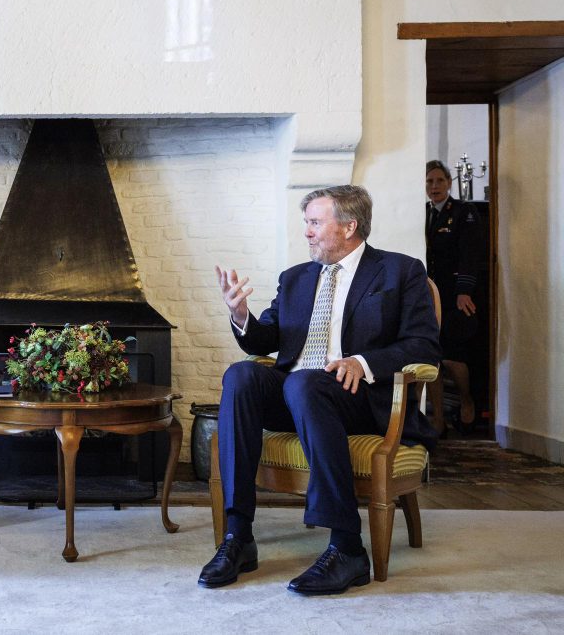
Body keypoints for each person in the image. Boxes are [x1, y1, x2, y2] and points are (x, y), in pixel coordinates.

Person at [198, 185, 440, 595]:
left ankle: (347, 547)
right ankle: (238, 537)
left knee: (305, 382)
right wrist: (241, 316)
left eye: (314, 222)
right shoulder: (295, 278)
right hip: (296, 392)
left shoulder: (400, 271)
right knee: (241, 375)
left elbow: (423, 345)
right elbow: (265, 337)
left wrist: (361, 362)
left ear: (349, 226)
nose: (307, 232)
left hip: (356, 398)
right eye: (306, 222)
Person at [425, 160, 484, 431]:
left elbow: (470, 254)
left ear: (449, 183)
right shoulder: (424, 213)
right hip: (429, 296)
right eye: (429, 181)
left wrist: (464, 291)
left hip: (454, 296)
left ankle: (466, 400)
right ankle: (438, 419)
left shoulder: (462, 212)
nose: (434, 186)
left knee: (452, 357)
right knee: (432, 359)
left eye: (439, 180)